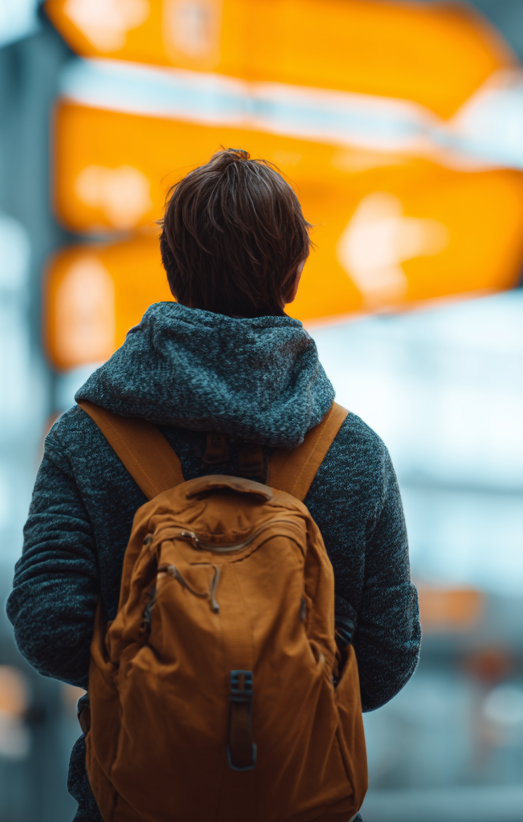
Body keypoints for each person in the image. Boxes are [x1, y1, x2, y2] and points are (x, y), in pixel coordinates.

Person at [6, 149, 420, 820]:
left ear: (172, 267)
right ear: (293, 273)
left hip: (133, 802)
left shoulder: (90, 437)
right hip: (300, 800)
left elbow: (47, 625)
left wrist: (162, 681)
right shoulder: (352, 452)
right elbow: (387, 659)